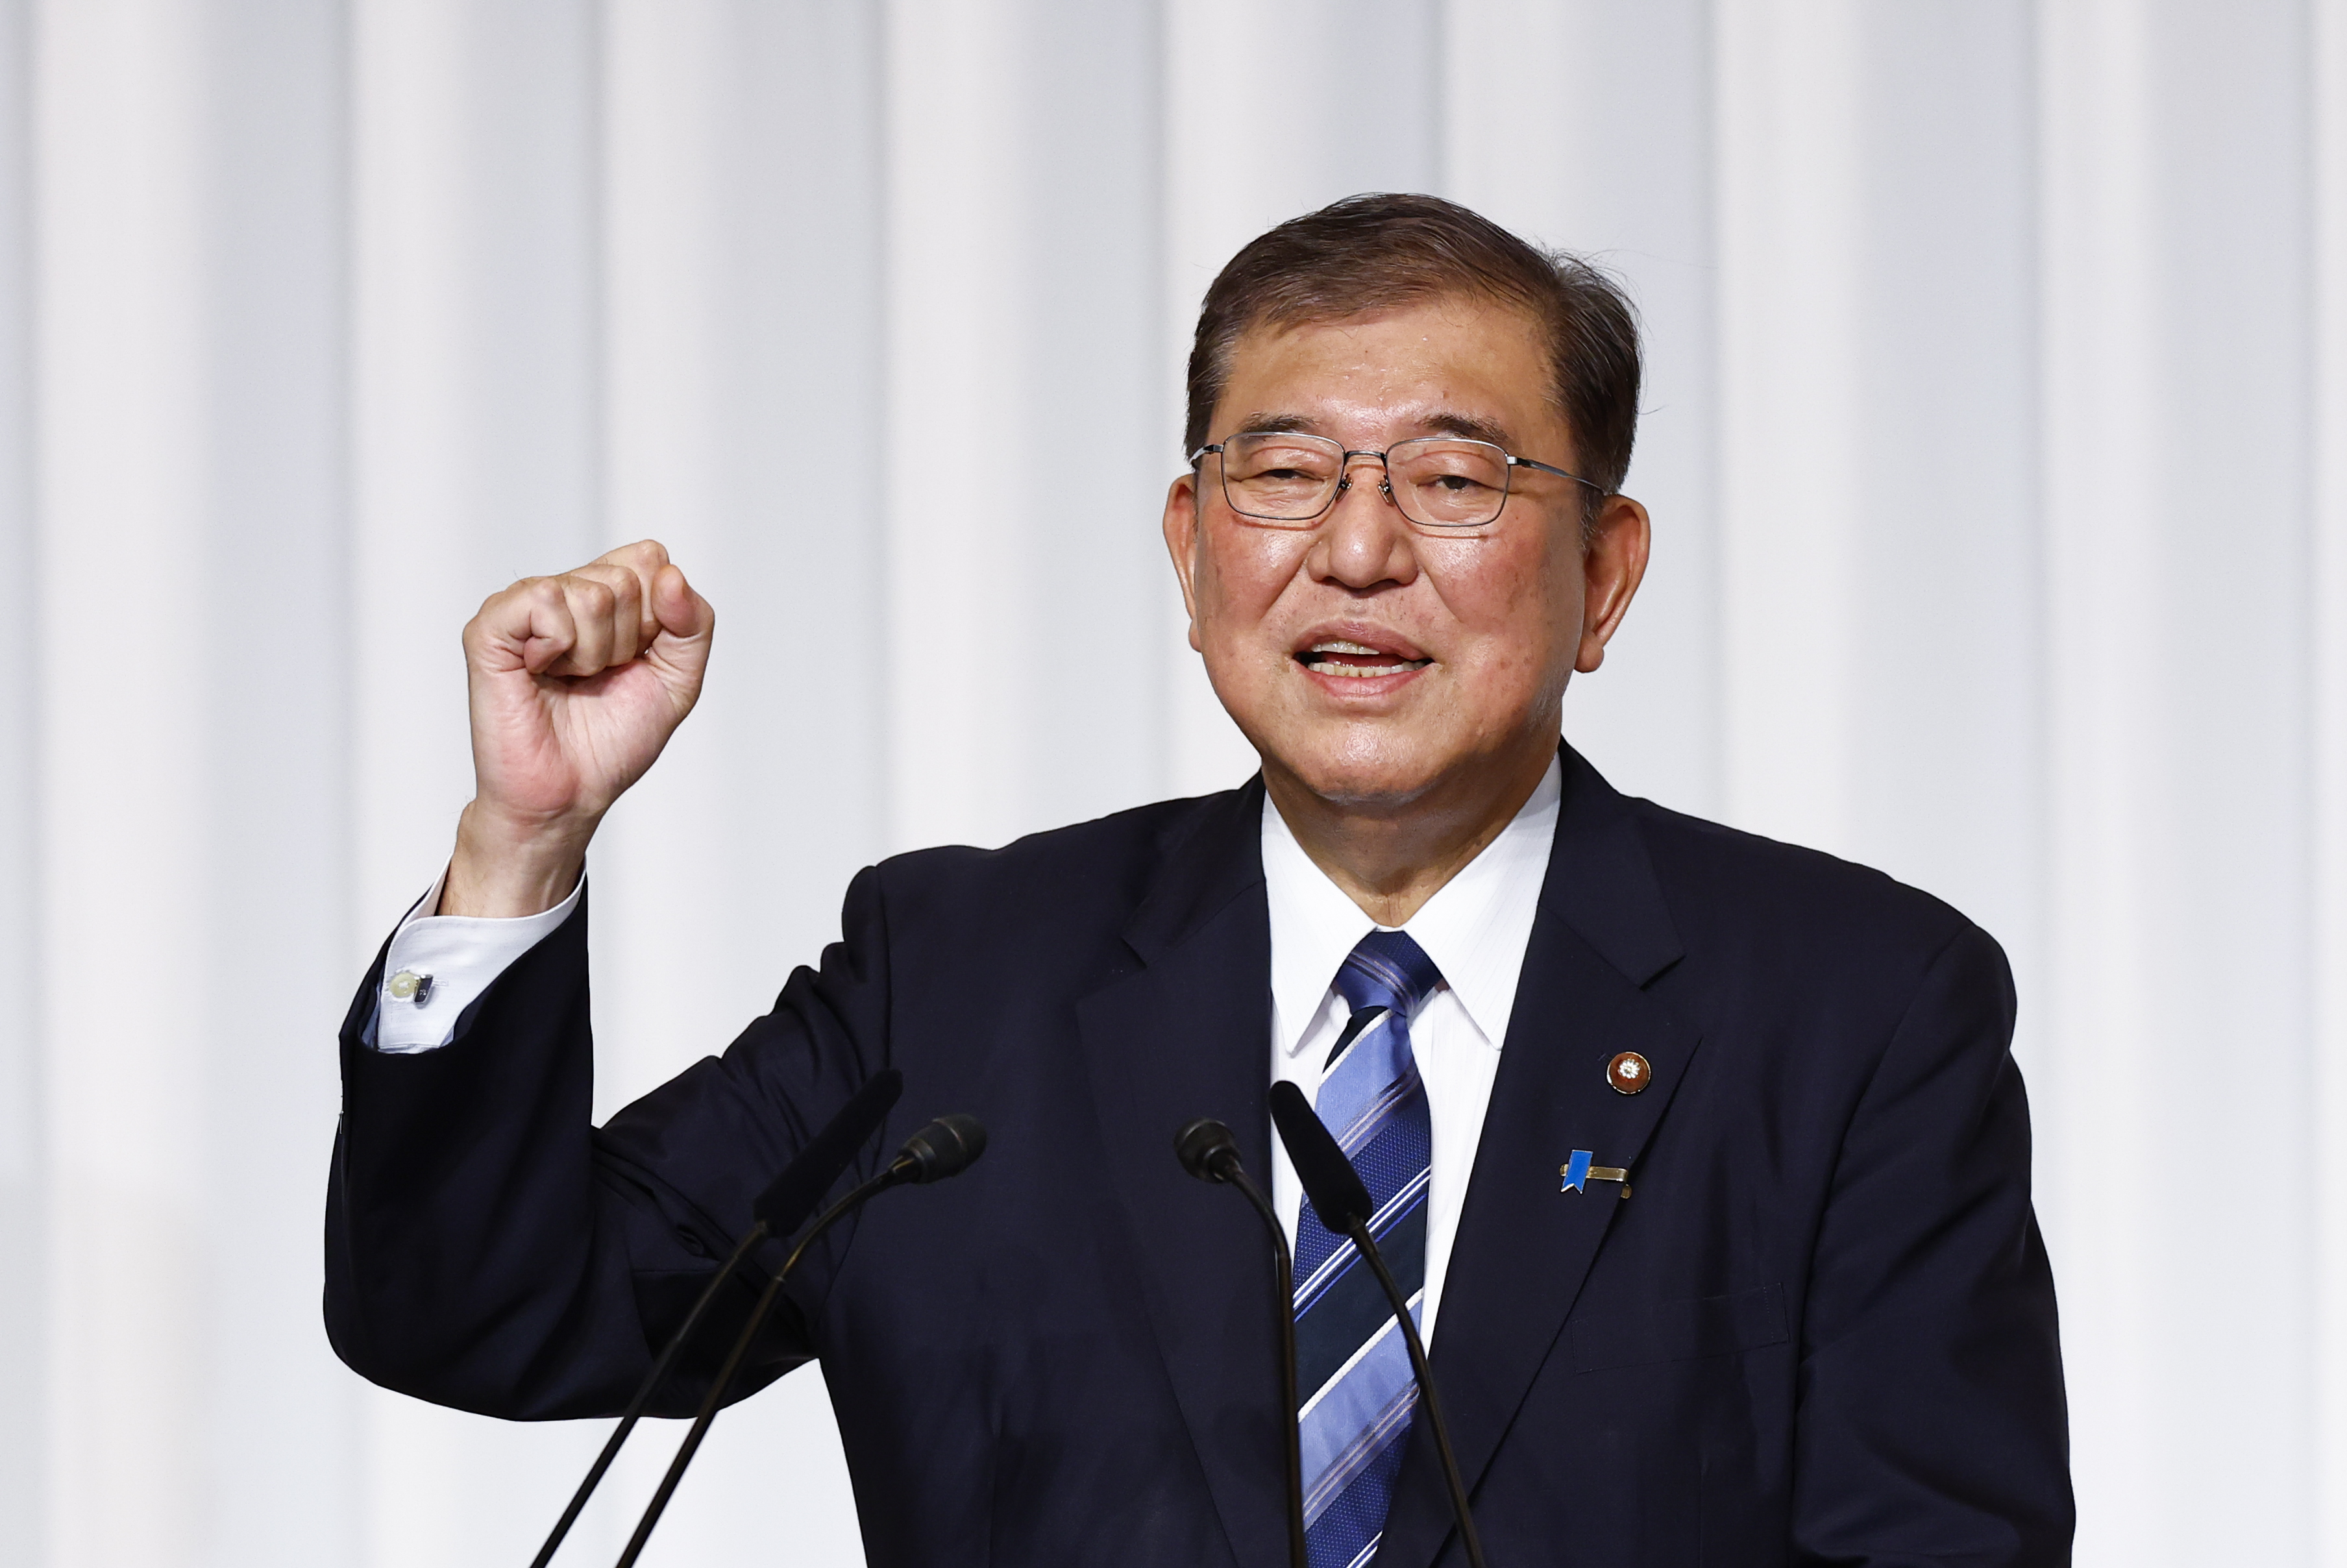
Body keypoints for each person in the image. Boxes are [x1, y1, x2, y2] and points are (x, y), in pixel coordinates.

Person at [326, 193, 2071, 1567]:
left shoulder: (1853, 1013)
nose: (1362, 547)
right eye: (1287, 472)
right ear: (1192, 549)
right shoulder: (959, 983)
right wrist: (525, 842)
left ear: (1603, 573)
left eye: (1456, 476)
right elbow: (482, 1311)